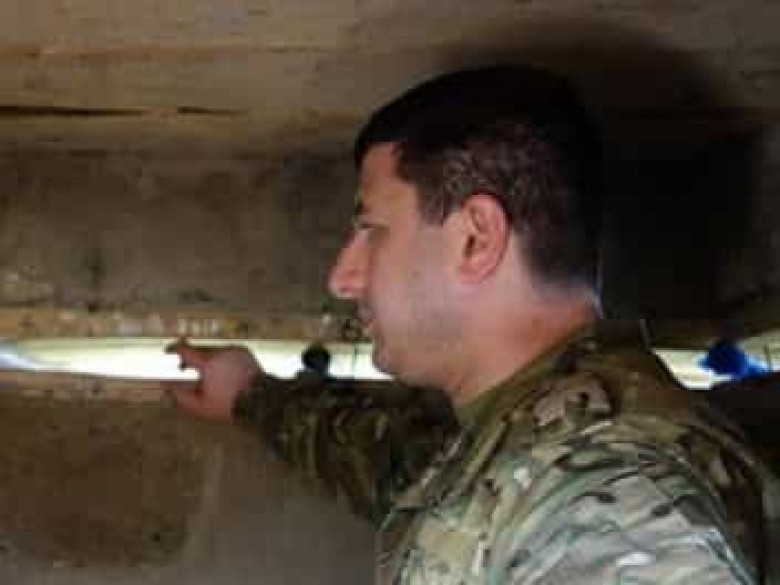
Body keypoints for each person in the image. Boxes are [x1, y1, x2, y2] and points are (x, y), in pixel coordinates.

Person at [166, 67, 779, 583]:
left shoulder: (611, 502)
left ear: (475, 239)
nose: (342, 278)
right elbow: (395, 464)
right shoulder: (535, 429)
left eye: (370, 229)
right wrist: (249, 393)